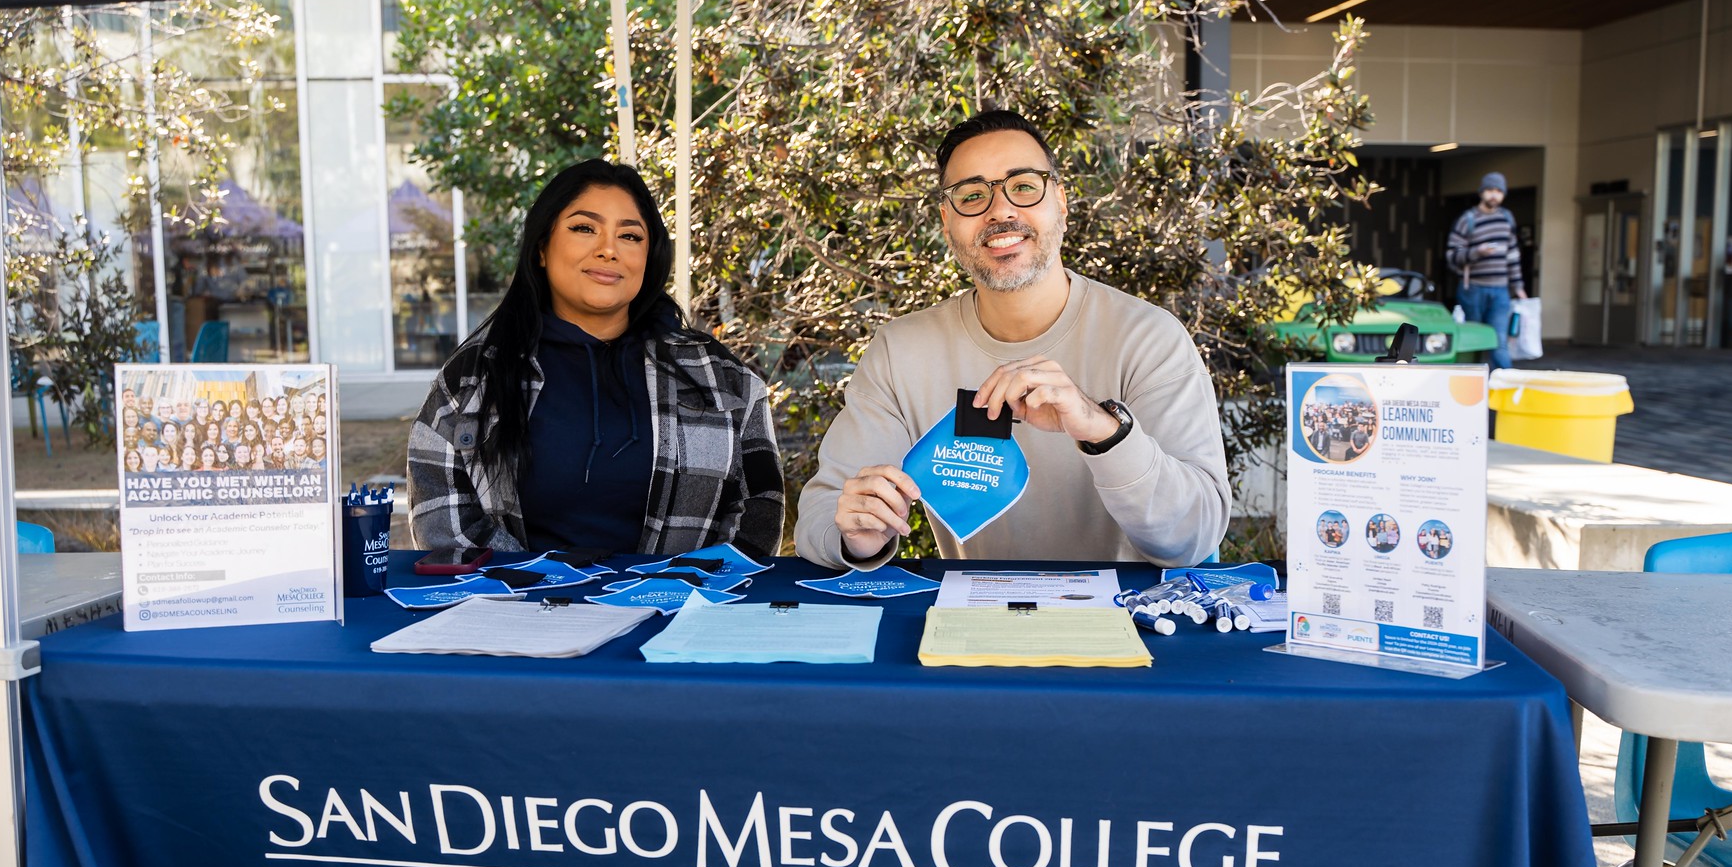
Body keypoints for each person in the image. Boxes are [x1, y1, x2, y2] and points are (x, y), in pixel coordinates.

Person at [795, 110, 1228, 569]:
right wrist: (857, 538)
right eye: (972, 196)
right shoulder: (902, 352)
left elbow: (1194, 537)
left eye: (1023, 186)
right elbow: (821, 518)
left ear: (1061, 201)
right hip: (971, 622)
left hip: (1130, 625)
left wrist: (1100, 428)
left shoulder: (1148, 337)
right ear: (947, 221)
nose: (1000, 211)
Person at [409, 158, 784, 555]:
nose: (608, 250)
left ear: (648, 255)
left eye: (630, 236)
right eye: (584, 228)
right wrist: (544, 593)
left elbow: (758, 511)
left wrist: (672, 592)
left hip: (681, 609)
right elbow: (444, 524)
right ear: (541, 248)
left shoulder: (721, 379)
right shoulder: (471, 379)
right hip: (522, 611)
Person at [1446, 172, 1524, 372]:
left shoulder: (1507, 219)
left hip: (1500, 290)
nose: (1494, 195)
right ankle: (1471, 388)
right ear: (1482, 193)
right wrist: (1476, 252)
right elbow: (1452, 255)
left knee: (1500, 341)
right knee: (1473, 341)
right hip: (1473, 289)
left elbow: (1513, 256)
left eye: (1499, 191)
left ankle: (1506, 387)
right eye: (1490, 190)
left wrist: (1518, 287)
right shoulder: (1468, 219)